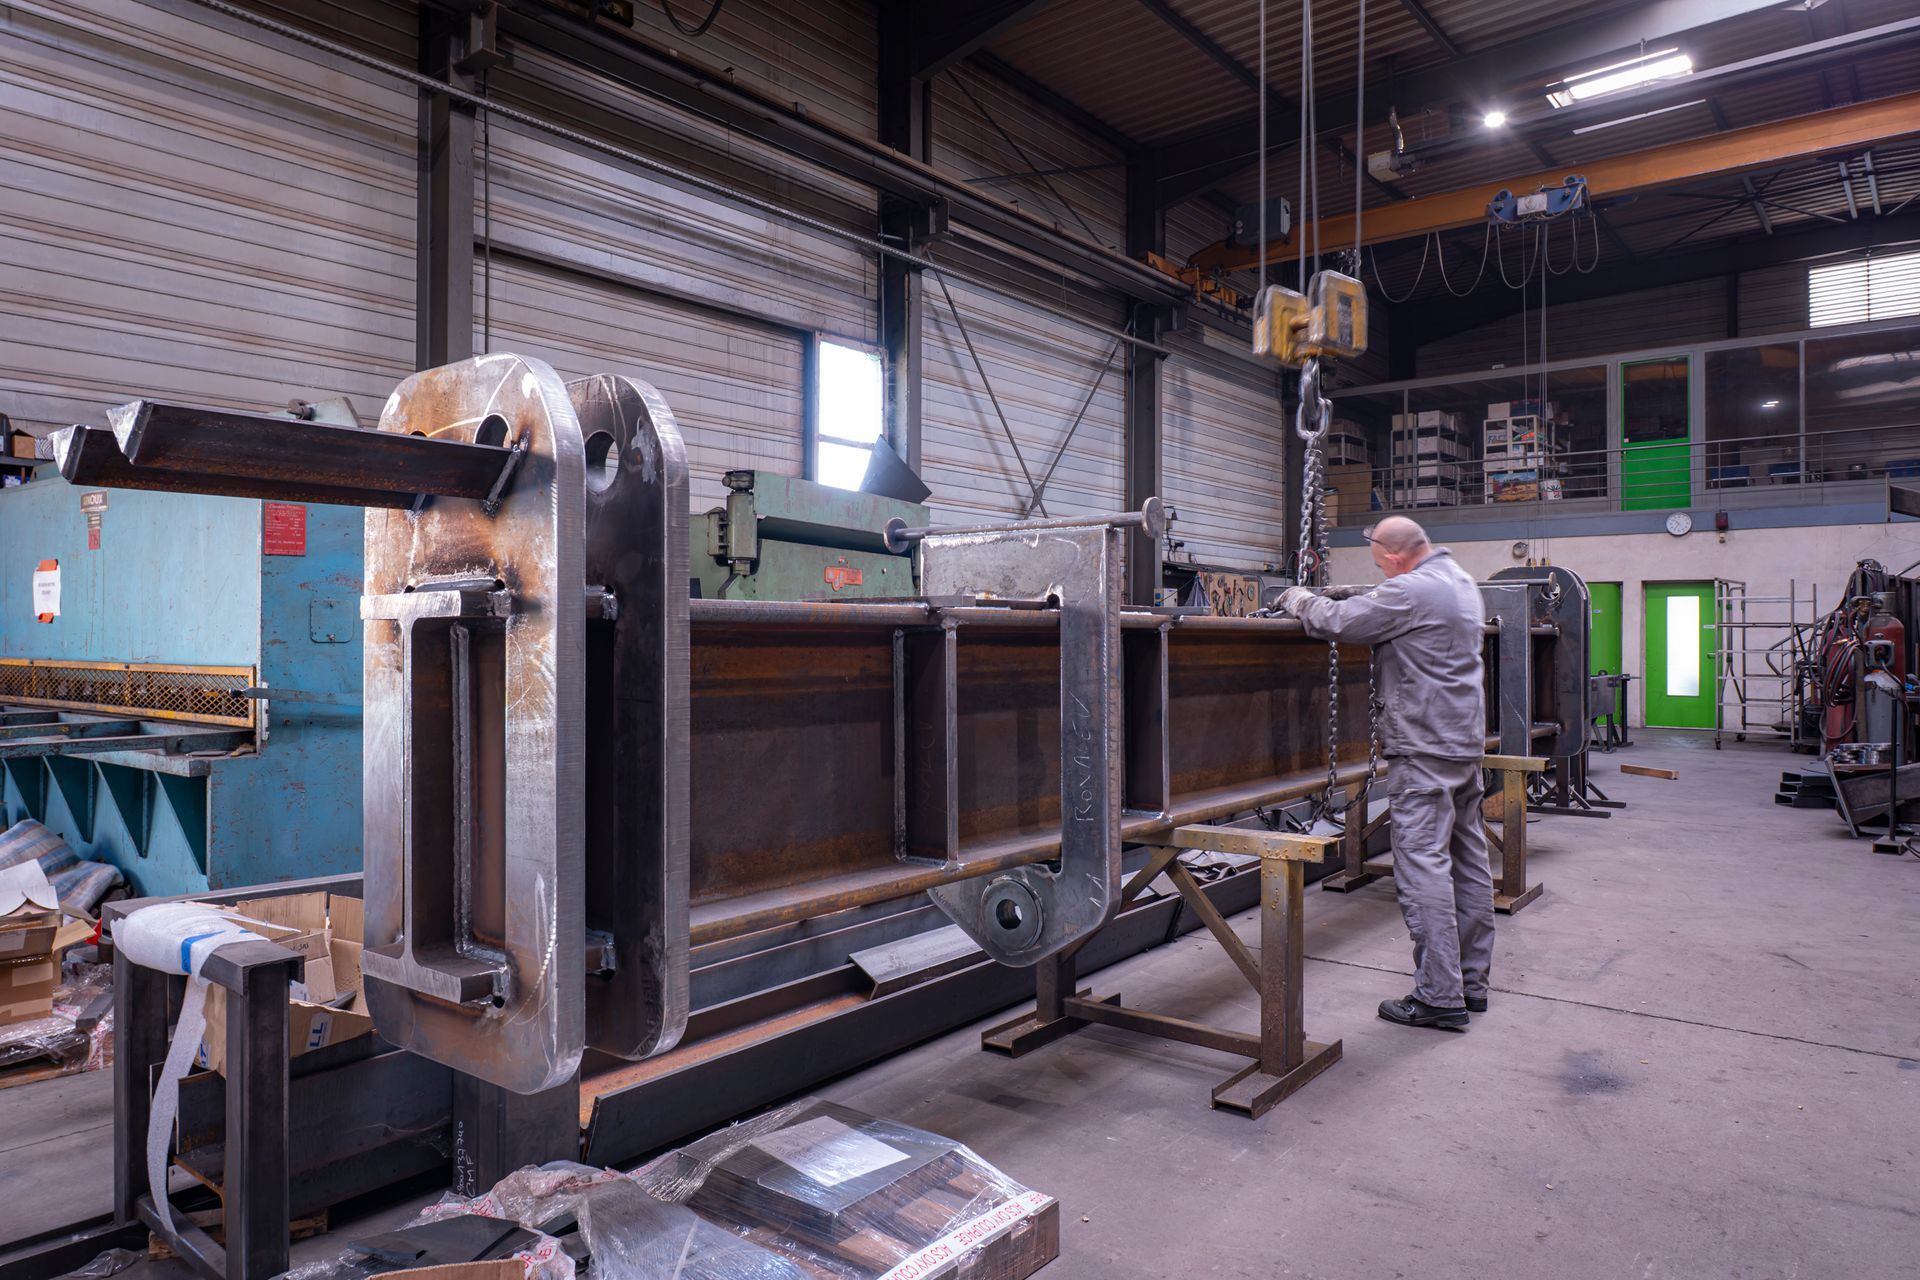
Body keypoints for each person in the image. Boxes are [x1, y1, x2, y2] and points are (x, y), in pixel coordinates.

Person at [1277, 516, 1492, 1033]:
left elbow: (1339, 623)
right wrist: (1363, 592)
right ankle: (1471, 982)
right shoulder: (1459, 581)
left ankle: (1440, 995)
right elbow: (1388, 605)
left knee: (1423, 866)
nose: (1377, 563)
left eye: (1376, 556)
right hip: (1462, 742)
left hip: (1423, 745)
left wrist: (1297, 599)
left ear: (1393, 555)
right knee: (1467, 859)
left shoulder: (1412, 592)